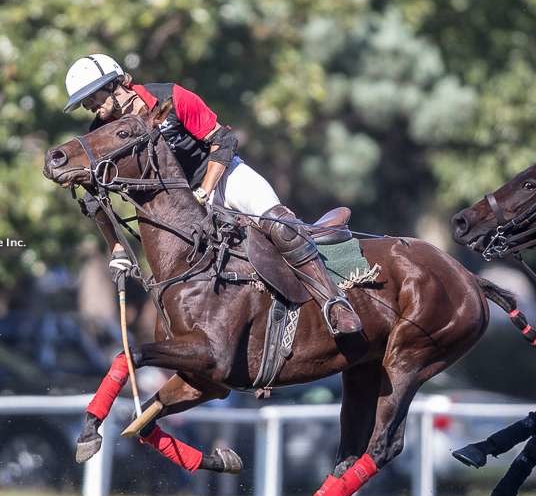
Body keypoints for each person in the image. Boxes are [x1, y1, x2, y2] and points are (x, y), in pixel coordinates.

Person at [63, 53, 362, 335]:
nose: (88, 105)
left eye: (92, 96)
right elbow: (92, 194)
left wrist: (205, 190)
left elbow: (223, 139)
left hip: (222, 177)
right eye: (84, 102)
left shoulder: (171, 97)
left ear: (115, 85)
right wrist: (116, 247)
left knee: (280, 227)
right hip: (176, 209)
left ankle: (333, 303)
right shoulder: (101, 131)